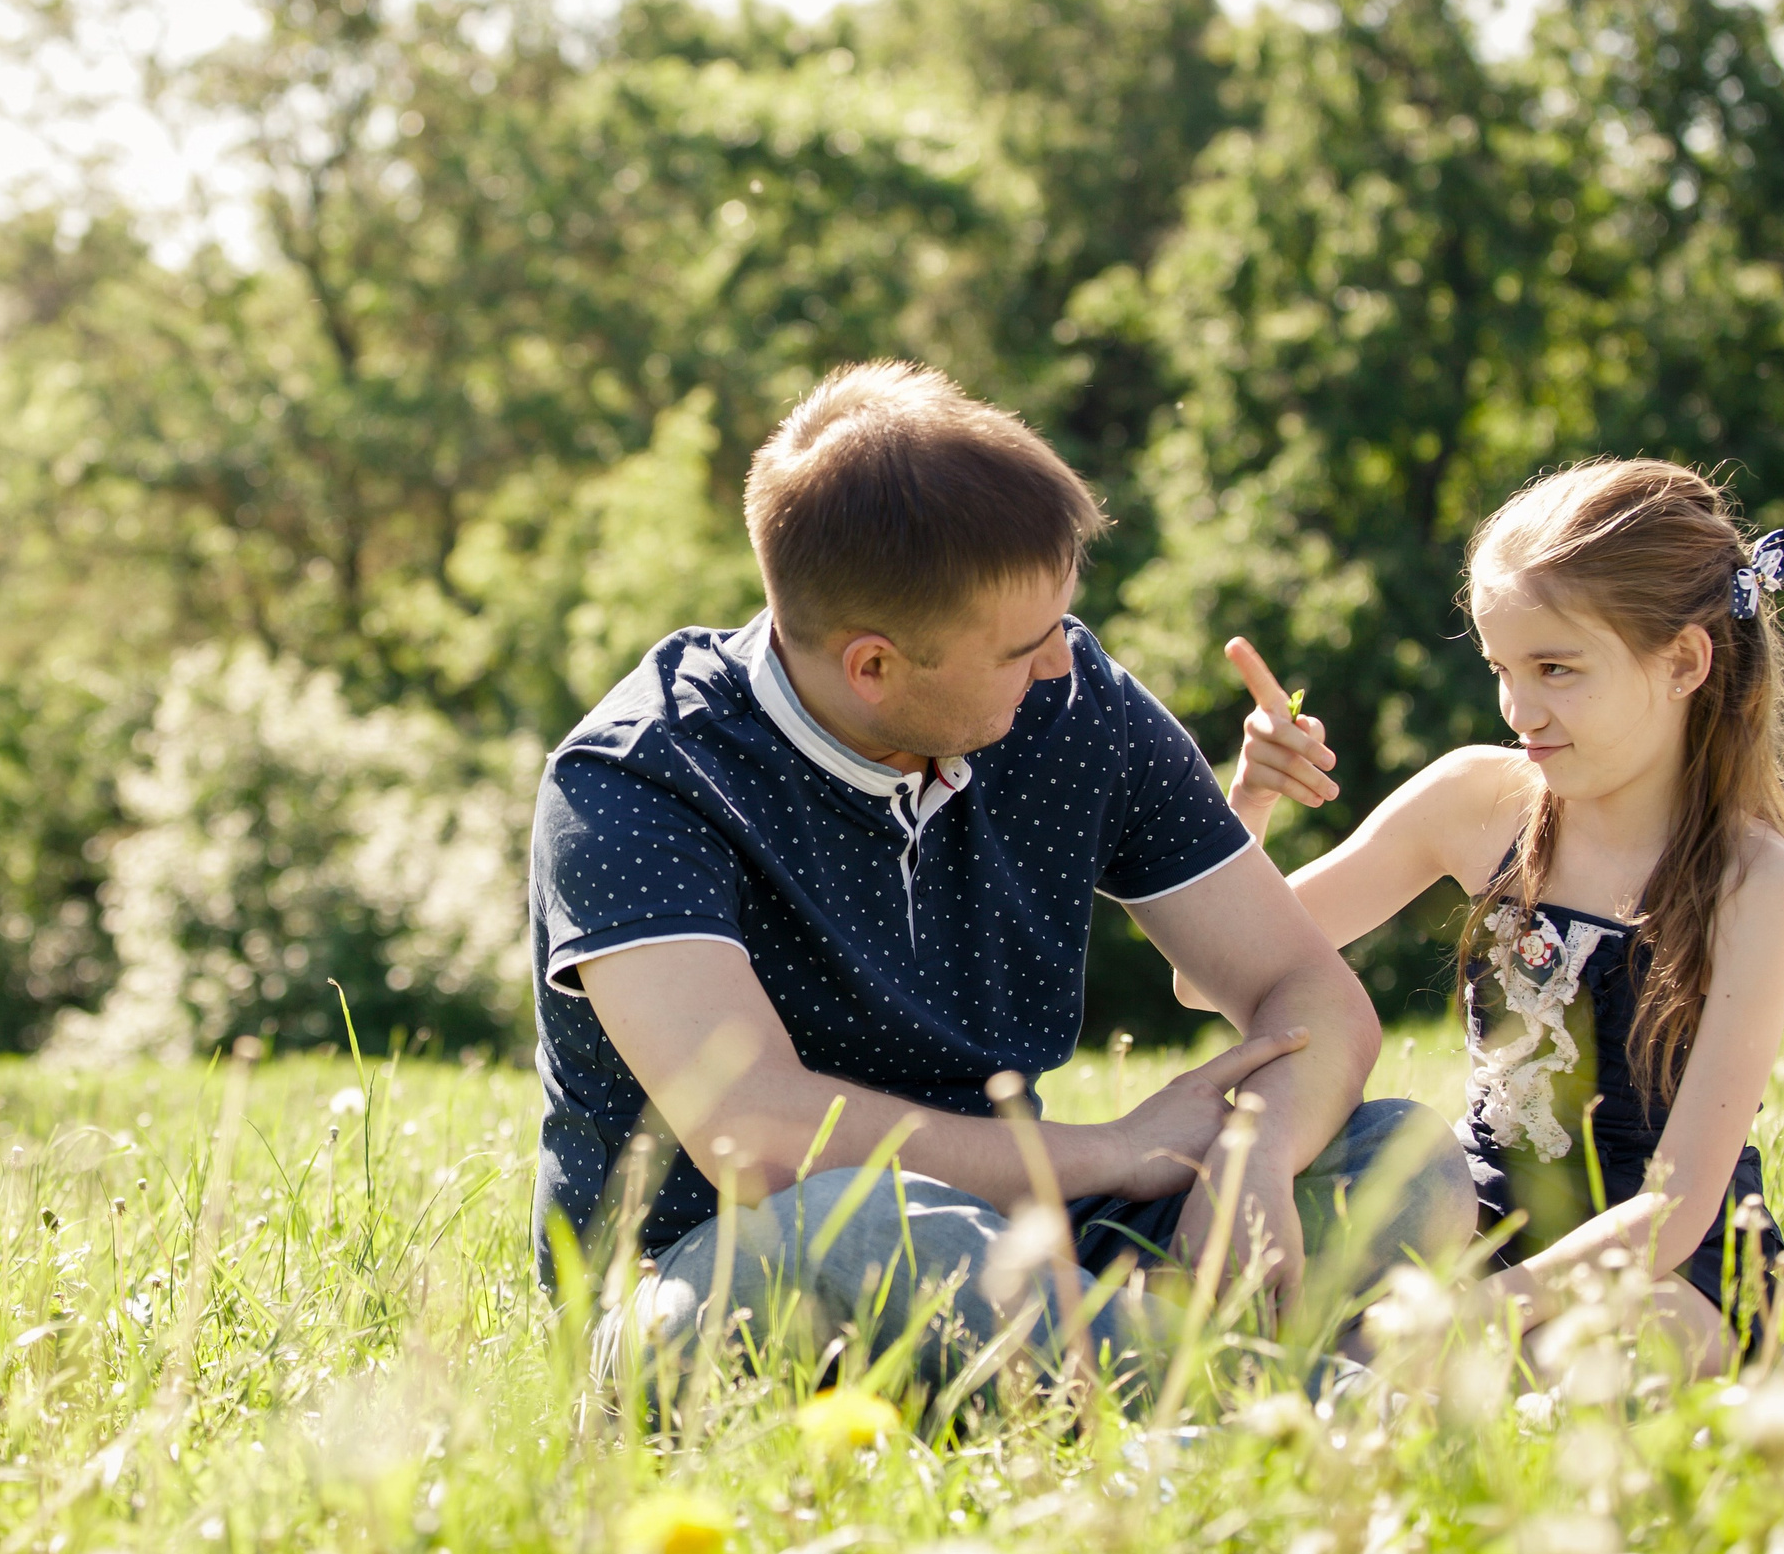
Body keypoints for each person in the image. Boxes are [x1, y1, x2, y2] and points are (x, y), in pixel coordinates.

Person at [529, 361, 1475, 1388]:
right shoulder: (641, 776)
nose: (1060, 664)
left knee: (1396, 1160)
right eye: (1023, 646)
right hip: (718, 1273)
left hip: (1027, 1237)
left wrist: (1251, 1155)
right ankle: (1295, 1401)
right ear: (874, 666)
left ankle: (1133, 1379)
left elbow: (1310, 994)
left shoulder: (1072, 706)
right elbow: (754, 1135)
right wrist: (1112, 1151)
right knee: (850, 1230)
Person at [1219, 458, 1784, 1373]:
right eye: (1504, 668)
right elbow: (1211, 973)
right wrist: (1252, 803)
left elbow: (1676, 1206)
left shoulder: (1756, 882)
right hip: (1475, 1225)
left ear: (1686, 661)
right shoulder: (1479, 798)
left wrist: (1464, 1321)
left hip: (1661, 1267)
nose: (1519, 708)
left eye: (1556, 668)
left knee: (1590, 1359)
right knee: (1266, 1302)